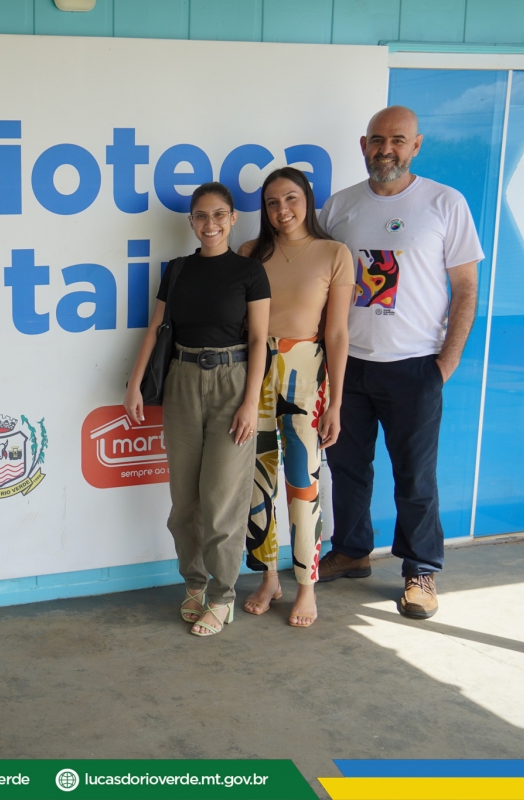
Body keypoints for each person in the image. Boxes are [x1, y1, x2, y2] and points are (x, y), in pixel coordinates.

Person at [318, 106, 483, 619]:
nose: (385, 149)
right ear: (363, 144)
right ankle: (351, 551)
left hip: (414, 366)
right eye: (377, 139)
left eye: (397, 140)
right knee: (346, 467)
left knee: (415, 477)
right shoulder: (339, 206)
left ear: (416, 145)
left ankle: (420, 570)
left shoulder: (444, 203)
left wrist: (444, 364)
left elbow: (466, 288)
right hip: (348, 365)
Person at [125, 182, 270, 637]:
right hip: (182, 381)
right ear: (191, 221)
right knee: (184, 503)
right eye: (201, 216)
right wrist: (134, 384)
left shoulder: (250, 272)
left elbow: (258, 340)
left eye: (219, 215)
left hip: (233, 382)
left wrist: (251, 402)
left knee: (222, 502)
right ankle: (194, 583)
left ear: (233, 219)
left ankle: (223, 597)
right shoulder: (178, 270)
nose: (210, 224)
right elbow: (155, 327)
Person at [237, 168, 354, 627]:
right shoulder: (250, 253)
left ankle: (307, 585)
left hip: (306, 376)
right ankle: (269, 578)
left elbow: (338, 332)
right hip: (255, 372)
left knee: (304, 483)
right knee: (257, 481)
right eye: (271, 202)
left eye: (290, 198)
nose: (282, 210)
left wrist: (336, 402)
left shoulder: (334, 253)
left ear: (307, 199)